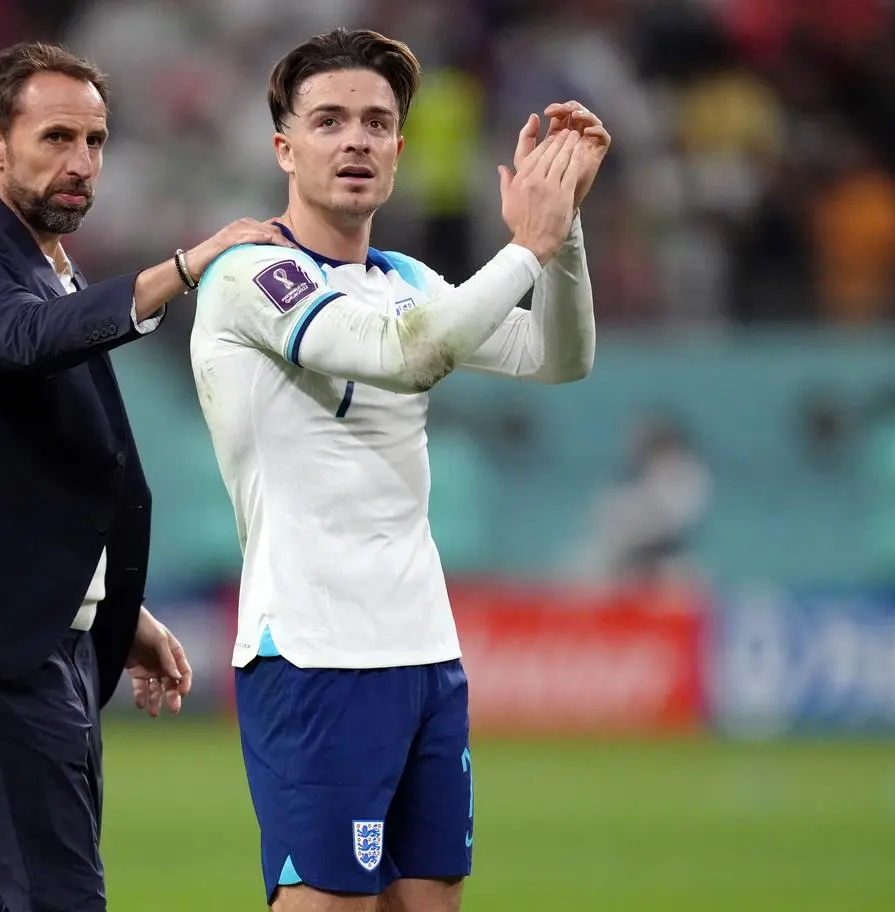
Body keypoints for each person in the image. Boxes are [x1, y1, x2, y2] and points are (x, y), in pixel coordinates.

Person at [190, 28, 610, 912]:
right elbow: (406, 355)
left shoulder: (407, 277)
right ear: (284, 147)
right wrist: (523, 249)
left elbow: (557, 355)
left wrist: (561, 230)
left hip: (423, 647)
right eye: (330, 121)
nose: (356, 140)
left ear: (400, 150)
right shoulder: (250, 276)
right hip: (311, 649)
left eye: (377, 123)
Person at [0, 41, 292, 912]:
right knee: (61, 900)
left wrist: (111, 605)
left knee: (28, 895)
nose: (81, 163)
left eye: (96, 141)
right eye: (57, 137)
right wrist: (183, 270)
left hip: (48, 637)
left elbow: (37, 465)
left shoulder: (49, 266)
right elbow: (23, 341)